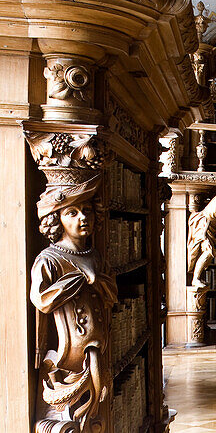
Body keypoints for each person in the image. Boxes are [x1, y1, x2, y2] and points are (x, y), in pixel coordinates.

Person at [30, 177, 118, 431]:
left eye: (87, 210)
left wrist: (97, 281)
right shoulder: (49, 259)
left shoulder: (94, 256)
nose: (83, 218)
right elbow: (41, 301)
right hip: (67, 358)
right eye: (72, 212)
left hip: (98, 350)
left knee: (94, 413)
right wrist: (77, 281)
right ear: (56, 219)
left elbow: (110, 293)